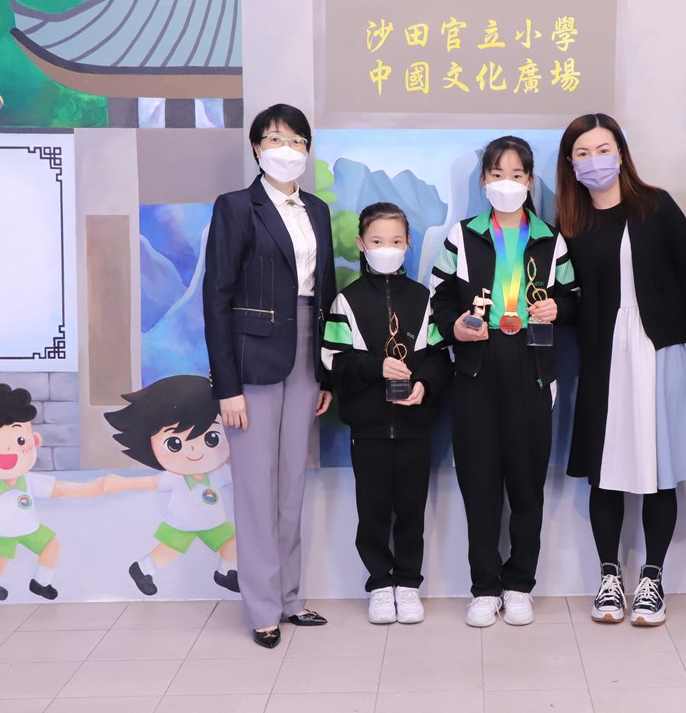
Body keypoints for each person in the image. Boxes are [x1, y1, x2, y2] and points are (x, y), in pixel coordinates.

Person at [558, 113, 686, 627]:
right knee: (605, 471)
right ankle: (609, 577)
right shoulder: (571, 223)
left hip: (661, 352)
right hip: (603, 358)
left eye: (603, 149)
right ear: (570, 164)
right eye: (582, 153)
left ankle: (652, 579)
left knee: (658, 470)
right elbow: (568, 297)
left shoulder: (657, 205)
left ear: (621, 153)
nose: (594, 160)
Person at [202, 103, 336, 649]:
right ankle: (261, 607)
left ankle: (290, 598)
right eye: (276, 139)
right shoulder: (236, 207)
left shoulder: (318, 210)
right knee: (256, 487)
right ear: (257, 147)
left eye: (297, 140)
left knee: (290, 483)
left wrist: (325, 371)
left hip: (306, 352)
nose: (287, 149)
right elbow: (217, 298)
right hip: (252, 360)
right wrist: (227, 386)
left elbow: (325, 293)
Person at [430, 135, 578, 628]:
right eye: (497, 174)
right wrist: (454, 327)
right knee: (479, 484)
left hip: (532, 365)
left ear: (530, 182)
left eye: (516, 174)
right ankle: (483, 587)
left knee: (527, 484)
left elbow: (573, 298)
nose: (507, 183)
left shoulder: (551, 239)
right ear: (483, 181)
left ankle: (519, 585)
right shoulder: (462, 236)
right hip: (476, 363)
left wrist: (559, 308)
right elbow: (438, 298)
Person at [322, 202, 452, 625]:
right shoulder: (346, 301)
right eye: (377, 241)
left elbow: (439, 357)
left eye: (395, 241)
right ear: (361, 243)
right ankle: (380, 584)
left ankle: (408, 584)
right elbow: (334, 360)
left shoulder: (424, 299)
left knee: (412, 508)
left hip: (415, 426)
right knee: (373, 508)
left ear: (408, 243)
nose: (387, 248)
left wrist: (424, 385)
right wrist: (375, 366)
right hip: (369, 427)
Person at [0, 384, 104, 601]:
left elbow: (59, 489)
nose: (8, 451)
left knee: (51, 546)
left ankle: (41, 582)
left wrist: (91, 489)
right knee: (1, 558)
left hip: (28, 528)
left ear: (34, 441)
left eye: (20, 441)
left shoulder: (30, 481)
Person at [102, 375, 239, 597]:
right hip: (181, 523)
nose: (194, 450)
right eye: (174, 443)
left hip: (214, 522)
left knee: (231, 544)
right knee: (167, 553)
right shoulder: (174, 478)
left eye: (211, 438)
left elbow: (238, 474)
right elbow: (151, 482)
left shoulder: (218, 473)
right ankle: (143, 569)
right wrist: (123, 483)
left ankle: (225, 572)